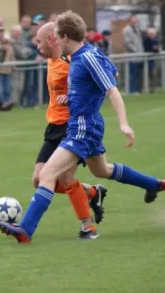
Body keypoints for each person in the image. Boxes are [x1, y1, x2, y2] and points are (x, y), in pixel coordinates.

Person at [0, 11, 165, 244]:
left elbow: (112, 89)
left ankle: (25, 230)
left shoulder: (85, 57)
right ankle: (152, 184)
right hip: (87, 125)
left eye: (57, 36)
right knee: (102, 171)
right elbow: (111, 71)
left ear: (65, 37)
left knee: (47, 174)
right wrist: (76, 97)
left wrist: (124, 124)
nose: (55, 41)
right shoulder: (85, 55)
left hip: (82, 128)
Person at [31, 23, 108, 229]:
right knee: (38, 180)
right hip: (53, 127)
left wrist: (77, 99)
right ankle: (92, 192)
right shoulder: (50, 61)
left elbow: (96, 82)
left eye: (39, 41)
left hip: (72, 125)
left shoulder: (72, 62)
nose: (37, 47)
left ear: (51, 39)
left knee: (65, 177)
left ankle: (88, 226)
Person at [123, 14, 144, 93]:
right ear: (129, 21)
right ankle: (132, 90)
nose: (135, 22)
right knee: (133, 74)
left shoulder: (137, 29)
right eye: (133, 21)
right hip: (133, 56)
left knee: (139, 74)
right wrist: (136, 50)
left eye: (136, 21)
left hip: (140, 56)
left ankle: (139, 89)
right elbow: (127, 43)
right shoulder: (126, 30)